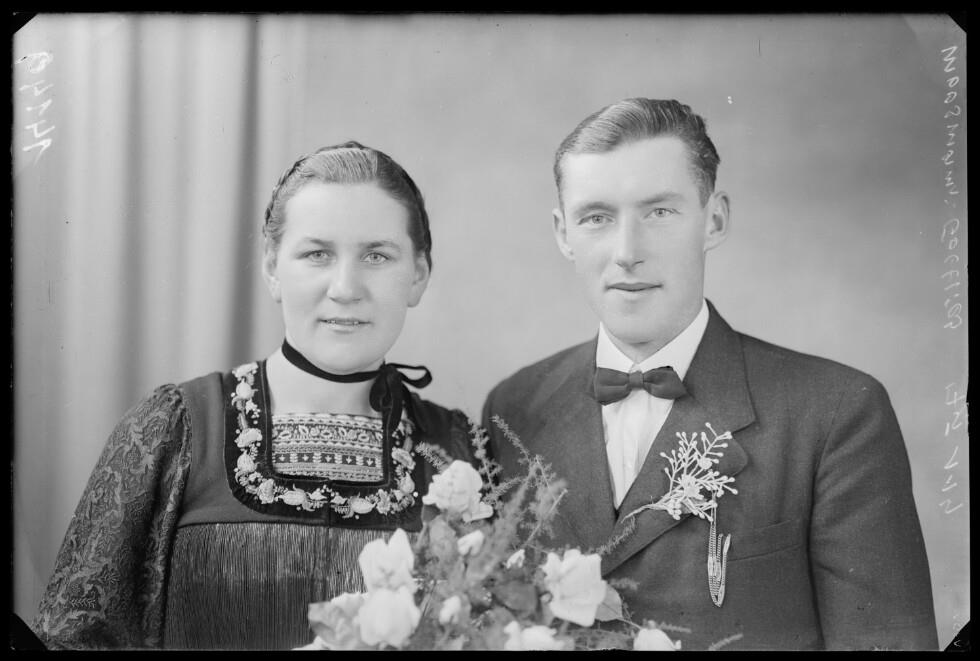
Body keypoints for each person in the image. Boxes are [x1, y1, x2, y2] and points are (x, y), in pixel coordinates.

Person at [482, 98, 938, 651]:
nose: (627, 252)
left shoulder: (837, 412)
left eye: (659, 212)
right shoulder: (514, 408)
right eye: (596, 217)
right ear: (563, 234)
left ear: (714, 219)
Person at [31, 141, 485, 650]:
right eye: (317, 254)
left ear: (418, 275)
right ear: (272, 267)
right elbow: (73, 638)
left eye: (377, 256)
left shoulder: (459, 450)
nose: (345, 287)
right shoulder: (176, 429)